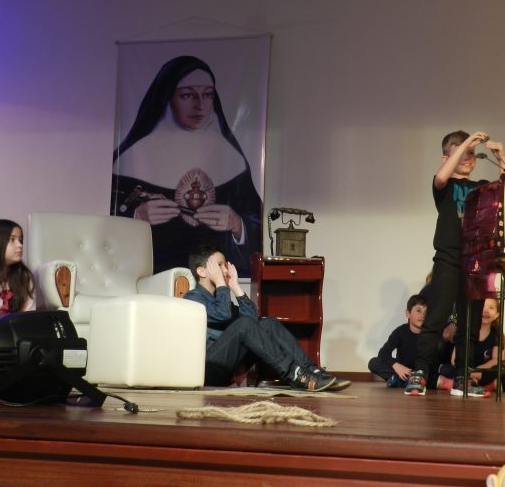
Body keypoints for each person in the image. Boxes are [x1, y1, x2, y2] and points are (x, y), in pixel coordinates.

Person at [111, 55, 262, 278]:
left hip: (212, 279)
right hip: (152, 279)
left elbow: (256, 220)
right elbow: (108, 229)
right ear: (167, 97)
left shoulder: (230, 157)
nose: (200, 105)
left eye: (207, 95)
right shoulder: (132, 157)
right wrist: (136, 217)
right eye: (187, 95)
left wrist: (237, 224)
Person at [405, 130, 505, 398]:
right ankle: (420, 373)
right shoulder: (445, 186)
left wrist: (501, 156)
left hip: (477, 261)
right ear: (447, 158)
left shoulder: (481, 187)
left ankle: (463, 376)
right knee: (436, 317)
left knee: (470, 322)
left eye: (471, 154)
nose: (467, 157)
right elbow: (441, 176)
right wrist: (466, 144)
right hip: (448, 259)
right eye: (461, 153)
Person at [183, 244, 351, 392]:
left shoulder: (221, 298)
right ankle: (296, 375)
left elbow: (252, 321)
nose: (225, 270)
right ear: (201, 271)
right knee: (244, 324)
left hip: (226, 367)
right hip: (207, 369)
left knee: (269, 323)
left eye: (225, 265)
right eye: (219, 265)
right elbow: (224, 315)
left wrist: (235, 287)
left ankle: (312, 371)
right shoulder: (193, 298)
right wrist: (222, 284)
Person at [438, 297, 500, 392]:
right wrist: (468, 372)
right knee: (445, 369)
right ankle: (469, 383)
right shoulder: (466, 330)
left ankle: (480, 385)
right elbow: (454, 359)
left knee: (498, 370)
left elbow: (496, 360)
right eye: (482, 306)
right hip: (463, 370)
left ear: (496, 315)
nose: (486, 311)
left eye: (491, 307)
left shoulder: (496, 333)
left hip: (482, 371)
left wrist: (479, 369)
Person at [368, 295, 427, 387]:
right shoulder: (400, 331)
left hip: (420, 372)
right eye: (418, 311)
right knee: (373, 362)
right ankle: (403, 381)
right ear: (408, 313)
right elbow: (383, 353)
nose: (422, 315)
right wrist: (395, 365)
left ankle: (404, 381)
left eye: (425, 312)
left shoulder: (429, 334)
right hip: (402, 371)